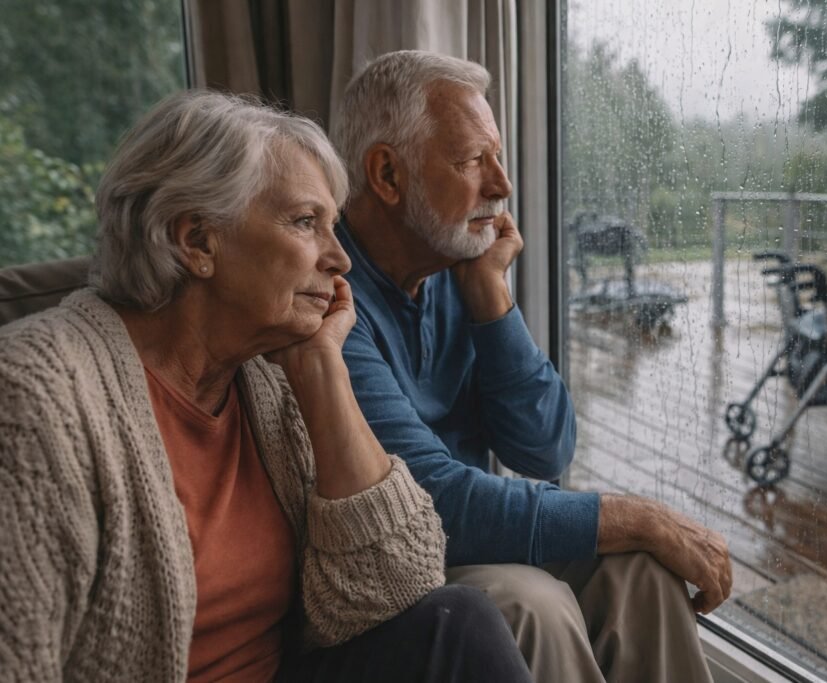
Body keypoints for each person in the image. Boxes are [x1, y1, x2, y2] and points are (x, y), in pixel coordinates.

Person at [0, 90, 533, 683]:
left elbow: (399, 587)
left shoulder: (268, 377)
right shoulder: (37, 393)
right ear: (198, 241)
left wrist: (321, 369)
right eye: (307, 223)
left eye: (333, 226)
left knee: (458, 623)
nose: (340, 260)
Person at [331, 50, 732, 682]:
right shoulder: (329, 300)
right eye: (471, 162)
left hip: (462, 538)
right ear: (387, 174)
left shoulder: (450, 269)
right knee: (533, 604)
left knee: (641, 573)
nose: (502, 185)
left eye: (498, 158)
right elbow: (429, 501)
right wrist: (640, 515)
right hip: (393, 564)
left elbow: (546, 448)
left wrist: (491, 299)